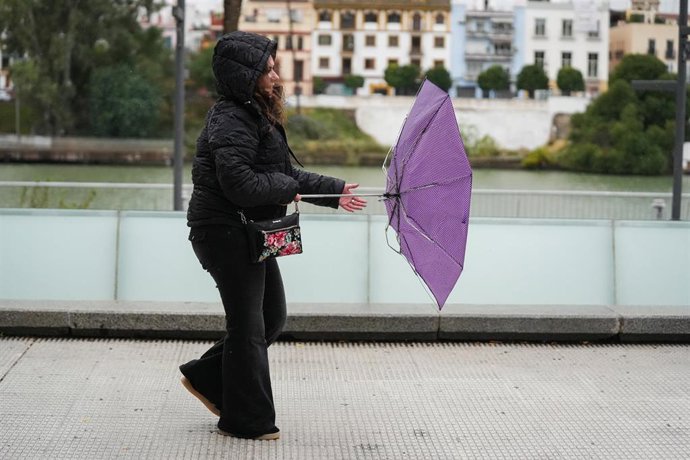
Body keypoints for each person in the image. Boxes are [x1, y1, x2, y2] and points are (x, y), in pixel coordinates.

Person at [178, 31, 367, 441]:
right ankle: (246, 421)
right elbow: (240, 184)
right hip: (224, 231)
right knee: (247, 327)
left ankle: (206, 379)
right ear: (244, 76)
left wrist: (335, 192)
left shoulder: (255, 114)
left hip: (250, 232)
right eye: (268, 71)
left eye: (274, 68)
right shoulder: (230, 118)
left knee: (270, 318)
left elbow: (288, 175)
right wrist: (286, 189)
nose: (277, 77)